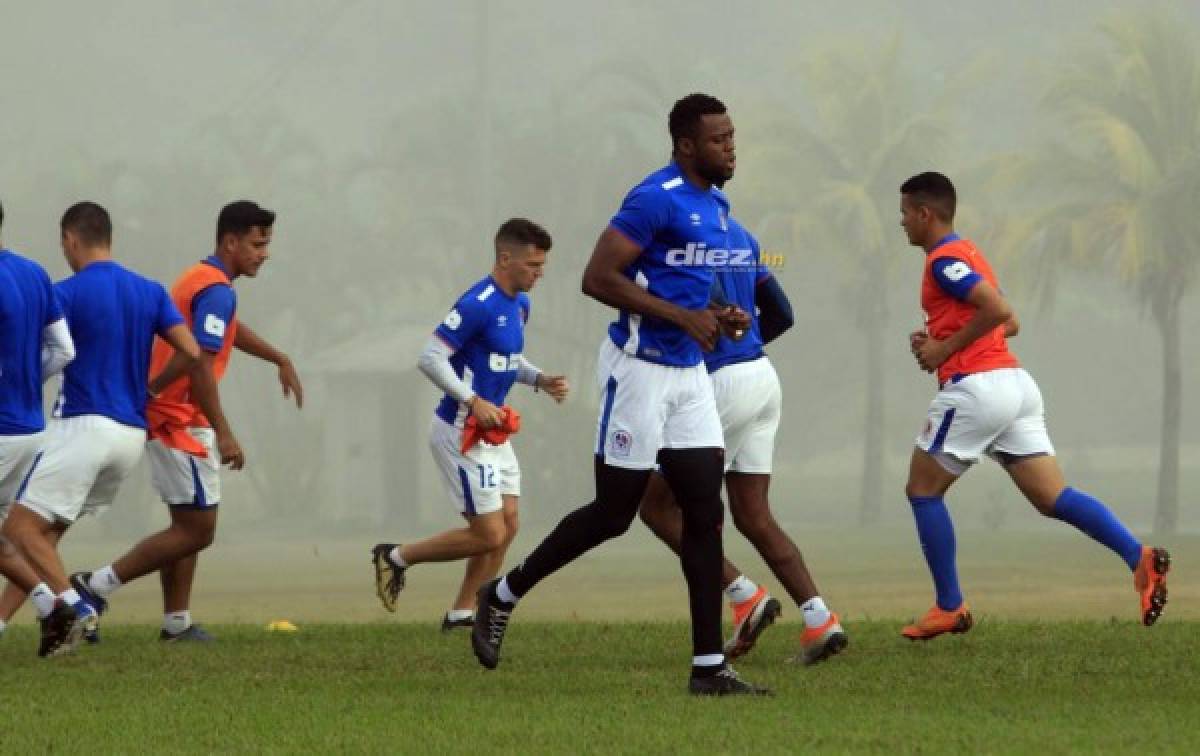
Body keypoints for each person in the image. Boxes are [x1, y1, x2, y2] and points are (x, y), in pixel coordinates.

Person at [471, 93, 769, 696]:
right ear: (687, 146)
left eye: (733, 136)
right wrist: (682, 319)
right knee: (613, 514)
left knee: (705, 513)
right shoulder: (652, 199)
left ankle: (708, 667)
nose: (731, 147)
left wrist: (718, 312)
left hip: (689, 379)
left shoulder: (716, 206)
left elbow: (683, 282)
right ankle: (501, 594)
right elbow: (596, 279)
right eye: (719, 140)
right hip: (638, 372)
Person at [897, 171, 1169, 640]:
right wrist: (944, 338)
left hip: (977, 389)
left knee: (922, 490)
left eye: (904, 213)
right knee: (1053, 497)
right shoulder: (969, 253)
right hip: (1016, 386)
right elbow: (1010, 320)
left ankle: (950, 606)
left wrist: (944, 351)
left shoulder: (944, 260)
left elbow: (999, 312)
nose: (900, 222)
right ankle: (1137, 557)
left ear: (925, 214)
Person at [70, 200, 303, 642]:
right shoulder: (216, 289)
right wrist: (224, 432)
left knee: (186, 524)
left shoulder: (206, 281)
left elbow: (221, 331)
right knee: (199, 529)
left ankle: (176, 622)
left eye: (267, 244)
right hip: (179, 419)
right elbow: (197, 362)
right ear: (230, 241)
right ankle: (94, 586)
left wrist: (278, 356)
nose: (264, 253)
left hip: (171, 413)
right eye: (257, 244)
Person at [637, 217, 847, 665]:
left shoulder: (679, 237)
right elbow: (782, 314)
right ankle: (819, 620)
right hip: (762, 377)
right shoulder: (742, 236)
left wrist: (723, 352)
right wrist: (745, 345)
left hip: (719, 385)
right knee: (754, 514)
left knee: (656, 505)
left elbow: (697, 302)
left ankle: (743, 594)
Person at [0, 202, 202, 656]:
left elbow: (39, 348)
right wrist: (150, 388)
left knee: (17, 529)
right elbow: (190, 352)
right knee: (43, 536)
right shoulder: (149, 291)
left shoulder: (67, 292)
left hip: (83, 428)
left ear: (70, 240)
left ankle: (78, 609)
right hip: (130, 435)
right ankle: (46, 625)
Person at [371, 218, 567, 631]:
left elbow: (504, 361)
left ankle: (462, 613)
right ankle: (396, 556)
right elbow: (429, 357)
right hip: (459, 432)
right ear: (504, 257)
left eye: (542, 265)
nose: (539, 273)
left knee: (508, 525)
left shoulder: (520, 304)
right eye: (533, 265)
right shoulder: (477, 303)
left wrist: (539, 379)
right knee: (488, 533)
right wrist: (472, 400)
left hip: (495, 432)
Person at [0, 198, 77, 644]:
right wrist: (27, 381)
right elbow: (64, 350)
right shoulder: (34, 274)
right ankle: (53, 604)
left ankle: (56, 604)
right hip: (29, 427)